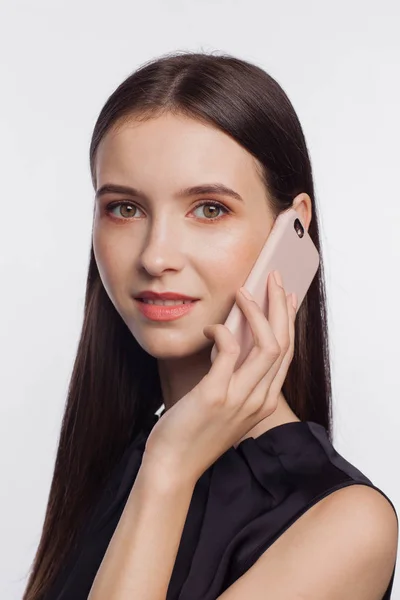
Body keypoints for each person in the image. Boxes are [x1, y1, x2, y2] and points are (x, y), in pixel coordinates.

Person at [22, 51, 398, 600]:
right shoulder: (119, 462)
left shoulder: (345, 526)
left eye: (209, 209)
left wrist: (171, 467)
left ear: (292, 228)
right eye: (125, 209)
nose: (157, 256)